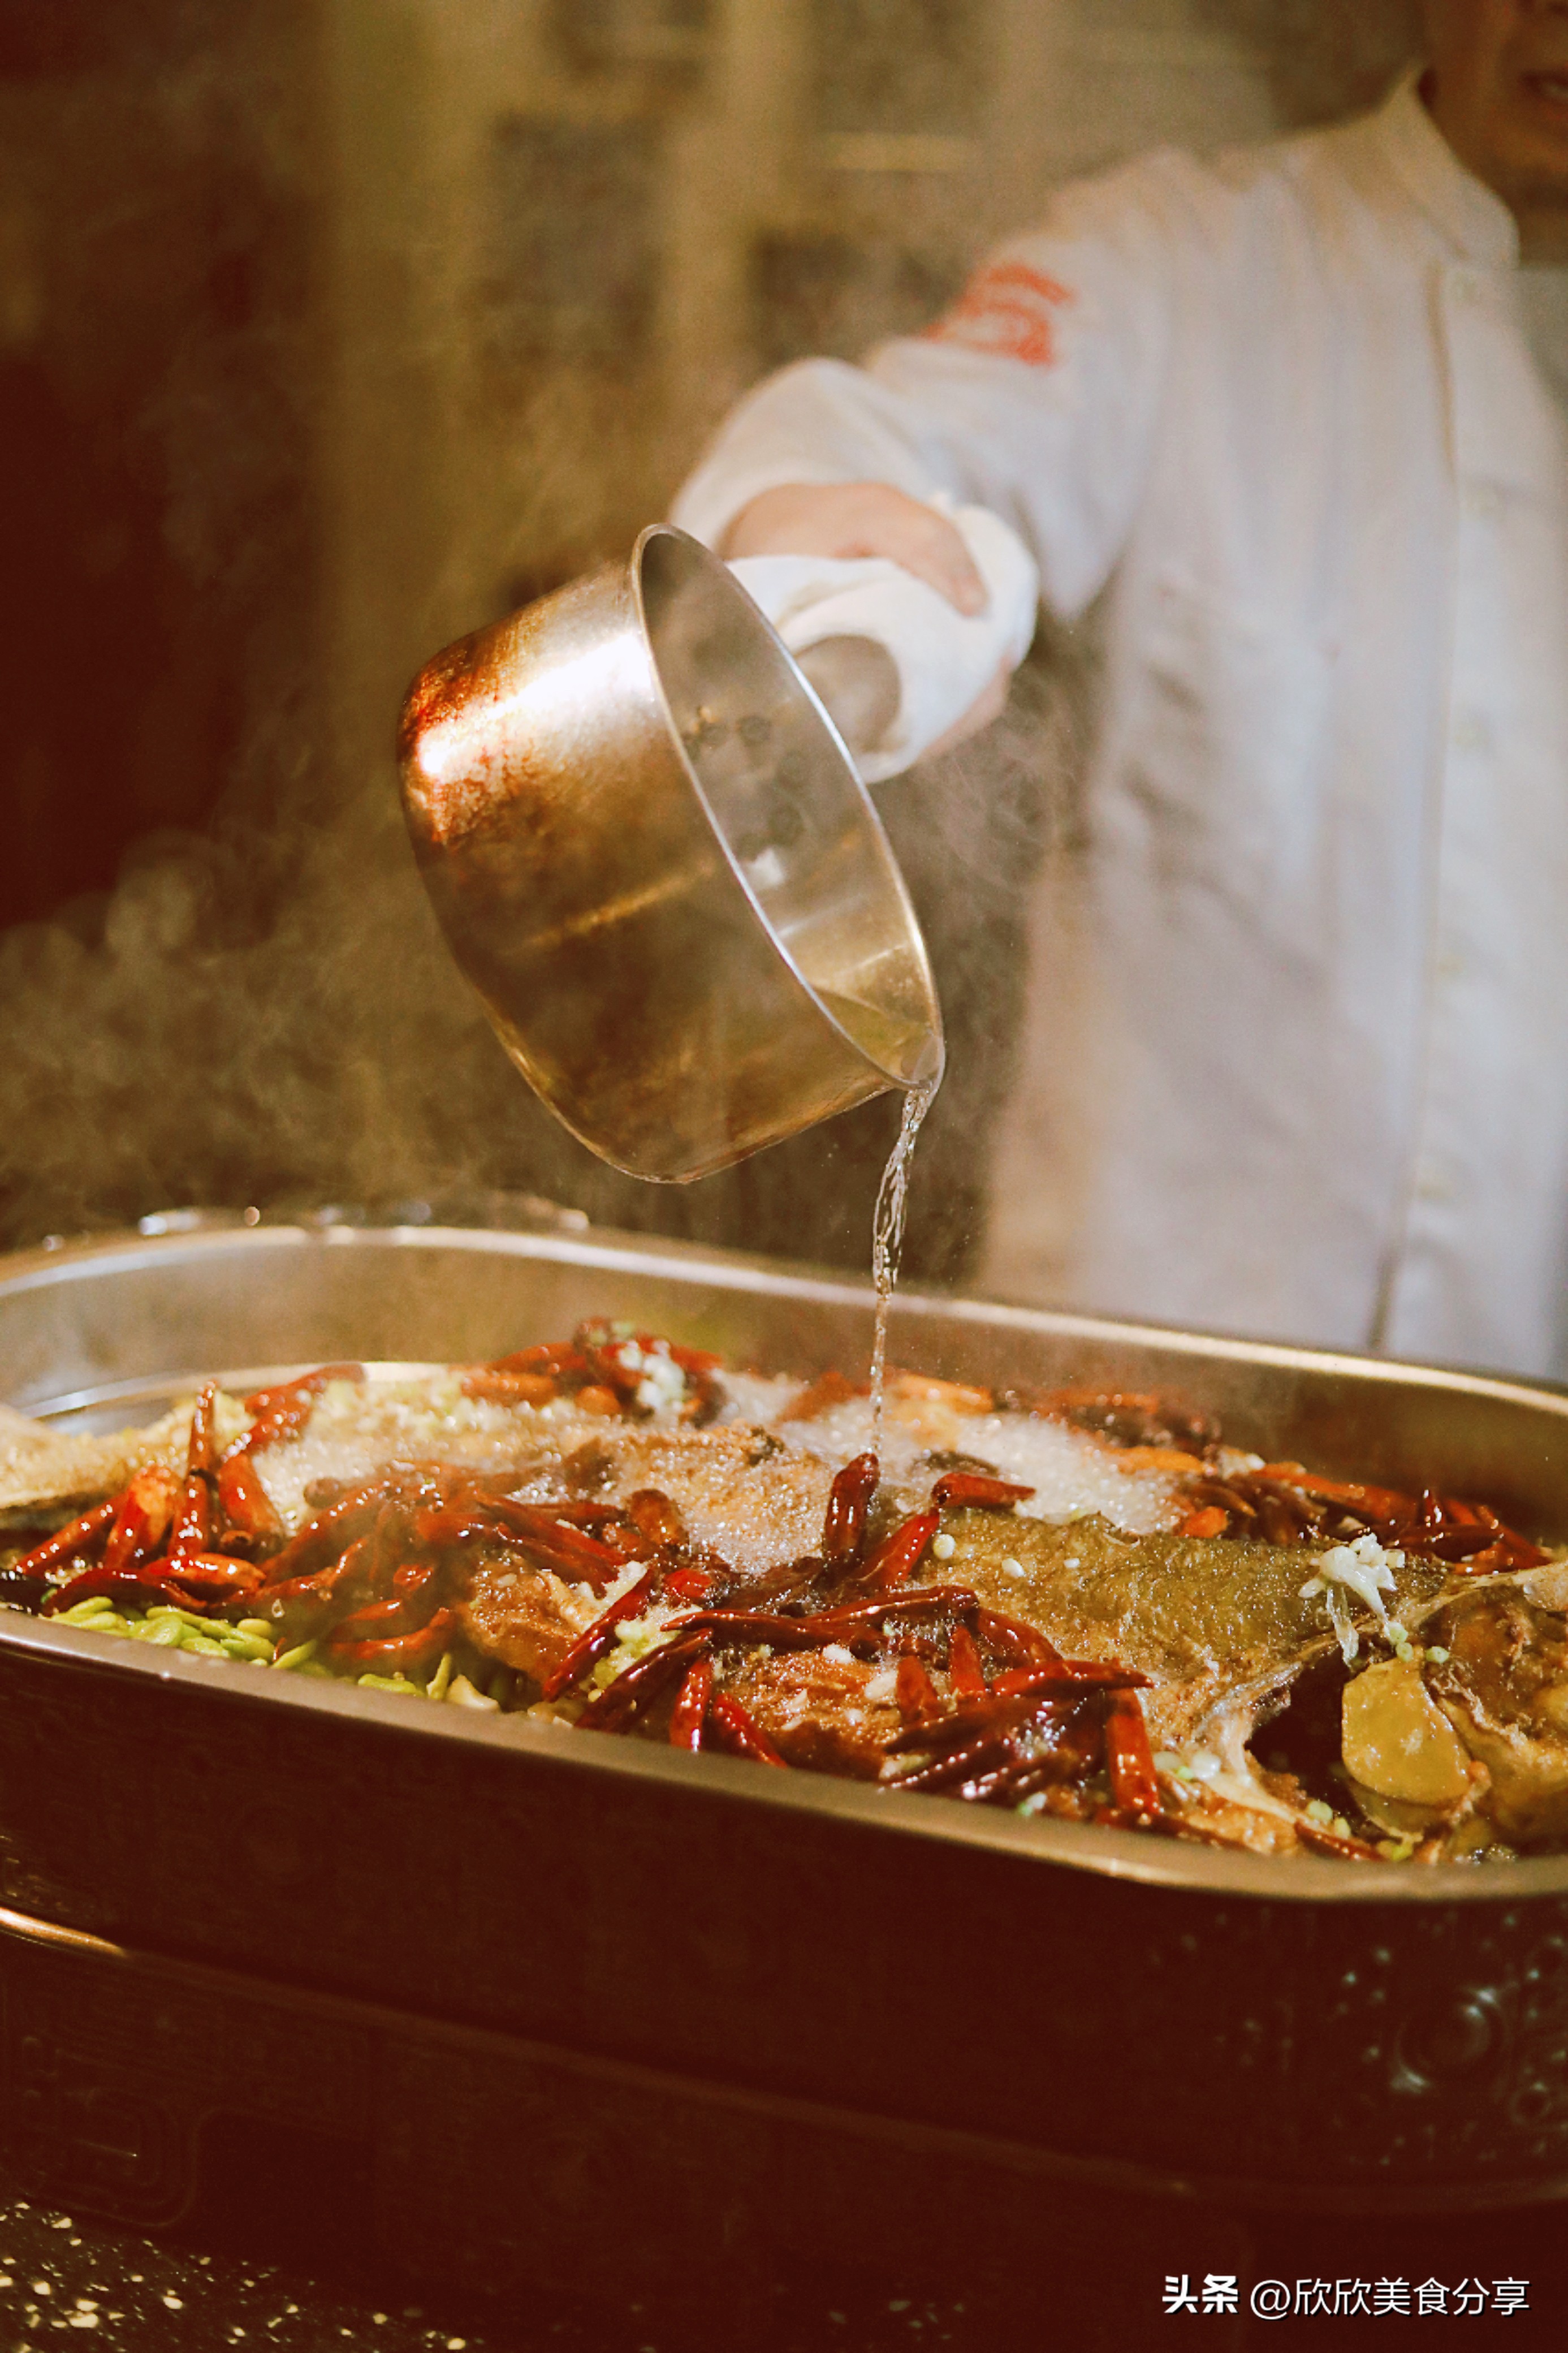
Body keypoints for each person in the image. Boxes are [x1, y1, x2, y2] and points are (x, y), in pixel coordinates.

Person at [671, 2, 1568, 1380]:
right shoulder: (1177, 260)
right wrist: (806, 518)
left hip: (1517, 1385)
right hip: (1130, 1363)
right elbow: (895, 435)